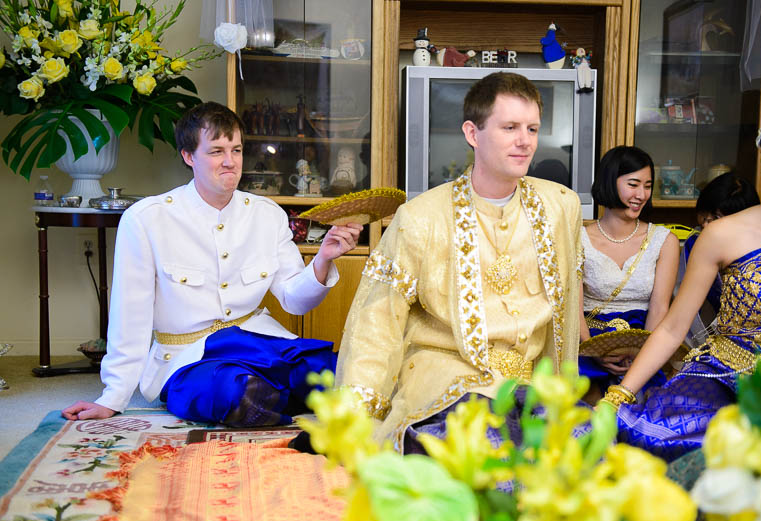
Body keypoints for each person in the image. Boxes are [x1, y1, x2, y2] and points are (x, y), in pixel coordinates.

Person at [62, 102, 362, 426]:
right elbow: (129, 314)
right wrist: (113, 396)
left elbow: (294, 301)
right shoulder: (147, 219)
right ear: (188, 156)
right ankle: (270, 396)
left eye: (237, 150)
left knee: (341, 372)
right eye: (217, 151)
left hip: (259, 342)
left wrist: (322, 259)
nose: (230, 162)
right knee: (234, 391)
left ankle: (274, 395)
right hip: (187, 358)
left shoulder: (267, 214)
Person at [335, 72, 583, 452]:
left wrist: (562, 390)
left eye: (532, 129)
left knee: (583, 446)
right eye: (510, 127)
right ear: (472, 133)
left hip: (529, 382)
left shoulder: (560, 207)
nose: (525, 141)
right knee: (481, 446)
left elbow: (566, 308)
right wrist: (358, 416)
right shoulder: (421, 217)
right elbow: (379, 319)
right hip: (449, 378)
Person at [600, 98, 761, 460]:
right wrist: (617, 397)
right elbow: (674, 328)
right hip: (727, 377)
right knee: (665, 440)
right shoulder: (722, 235)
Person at [579, 146, 679, 394]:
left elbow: (660, 307)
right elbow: (572, 306)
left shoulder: (664, 241)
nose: (641, 194)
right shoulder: (576, 238)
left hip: (644, 341)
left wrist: (641, 353)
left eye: (647, 185)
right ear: (609, 182)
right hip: (588, 340)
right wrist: (594, 351)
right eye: (633, 184)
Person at [678, 173, 761, 347]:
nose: (706, 225)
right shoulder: (695, 244)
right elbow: (683, 311)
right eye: (704, 216)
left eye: (716, 218)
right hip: (700, 345)